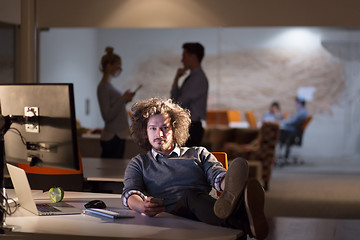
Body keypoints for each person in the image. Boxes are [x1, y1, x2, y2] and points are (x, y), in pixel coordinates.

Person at [122, 97, 269, 240]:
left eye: (164, 128)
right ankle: (245, 219)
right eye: (153, 128)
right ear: (145, 132)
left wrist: (233, 185)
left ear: (175, 129)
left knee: (194, 196)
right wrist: (141, 206)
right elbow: (130, 193)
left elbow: (218, 176)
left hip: (204, 211)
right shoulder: (139, 162)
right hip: (170, 215)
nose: (159, 134)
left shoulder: (198, 153)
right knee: (189, 196)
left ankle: (240, 202)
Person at [97, 46, 137, 158]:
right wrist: (122, 99)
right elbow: (107, 115)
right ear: (109, 66)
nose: (120, 69)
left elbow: (115, 108)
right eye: (118, 66)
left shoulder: (108, 87)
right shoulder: (103, 87)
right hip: (113, 137)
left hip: (117, 136)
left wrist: (123, 100)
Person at [170, 42, 208, 147]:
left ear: (193, 57)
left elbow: (178, 103)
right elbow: (175, 100)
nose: (182, 60)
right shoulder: (192, 78)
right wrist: (176, 78)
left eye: (184, 56)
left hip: (192, 127)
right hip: (189, 126)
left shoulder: (198, 79)